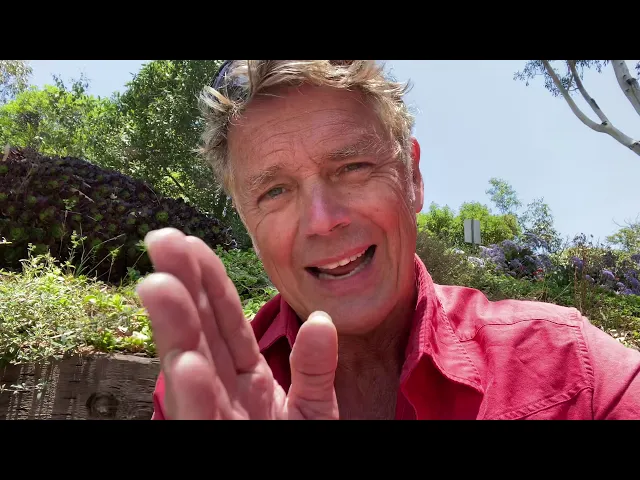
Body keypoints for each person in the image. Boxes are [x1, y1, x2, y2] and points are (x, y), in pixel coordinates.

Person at [136, 60, 640, 420]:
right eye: (275, 191)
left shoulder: (575, 370)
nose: (322, 221)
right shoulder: (206, 396)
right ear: (248, 221)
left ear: (413, 178)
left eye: (353, 167)